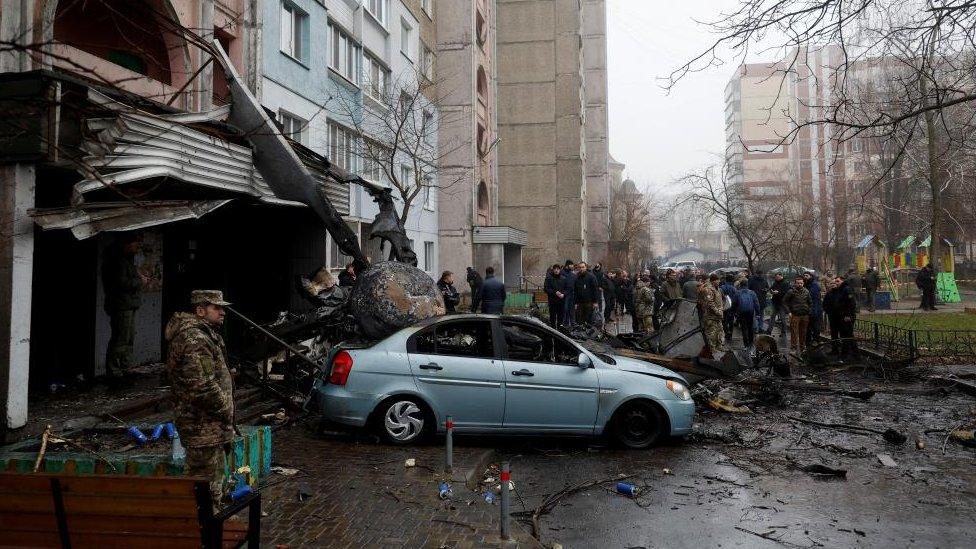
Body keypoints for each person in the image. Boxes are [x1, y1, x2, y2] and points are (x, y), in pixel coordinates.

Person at [165, 290, 234, 510]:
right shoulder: (194, 338)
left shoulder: (206, 334)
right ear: (201, 310)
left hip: (210, 425)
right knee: (203, 484)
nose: (222, 312)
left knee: (213, 482)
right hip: (202, 425)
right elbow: (202, 385)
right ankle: (203, 531)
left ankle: (210, 524)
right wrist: (225, 408)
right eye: (217, 308)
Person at [102, 234, 145, 384]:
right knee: (121, 339)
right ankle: (115, 371)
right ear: (126, 245)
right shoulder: (117, 261)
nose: (136, 247)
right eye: (134, 244)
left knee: (128, 338)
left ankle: (125, 368)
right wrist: (139, 280)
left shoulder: (125, 260)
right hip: (121, 305)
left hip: (128, 304)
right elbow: (121, 284)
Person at [823, 276, 859, 360]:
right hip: (839, 316)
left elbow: (851, 304)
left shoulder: (846, 289)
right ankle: (847, 354)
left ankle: (851, 355)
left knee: (848, 336)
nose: (836, 283)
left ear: (842, 281)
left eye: (837, 281)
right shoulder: (840, 290)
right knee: (845, 336)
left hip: (847, 317)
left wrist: (848, 315)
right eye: (835, 281)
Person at [783, 276, 813, 352]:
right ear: (795, 283)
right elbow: (784, 302)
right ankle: (793, 347)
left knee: (803, 332)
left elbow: (810, 302)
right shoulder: (791, 291)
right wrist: (789, 312)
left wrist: (809, 310)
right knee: (794, 331)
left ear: (803, 283)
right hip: (795, 314)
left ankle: (803, 347)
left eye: (801, 283)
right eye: (798, 283)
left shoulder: (806, 291)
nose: (800, 284)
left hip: (805, 315)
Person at [698, 274, 725, 354]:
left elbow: (721, 300)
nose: (719, 281)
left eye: (719, 280)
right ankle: (712, 348)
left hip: (718, 316)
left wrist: (721, 309)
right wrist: (718, 311)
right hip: (710, 316)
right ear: (713, 281)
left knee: (720, 331)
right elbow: (710, 303)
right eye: (717, 280)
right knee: (712, 333)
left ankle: (719, 346)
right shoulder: (708, 290)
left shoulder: (718, 289)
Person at [736, 280, 761, 348]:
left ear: (740, 285)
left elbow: (734, 304)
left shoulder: (738, 292)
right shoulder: (752, 292)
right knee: (750, 327)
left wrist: (734, 312)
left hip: (741, 312)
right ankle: (751, 343)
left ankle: (745, 344)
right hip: (750, 312)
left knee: (744, 328)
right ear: (747, 285)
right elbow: (756, 303)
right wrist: (758, 313)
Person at [768, 273, 790, 338]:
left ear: (781, 276)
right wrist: (771, 291)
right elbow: (771, 288)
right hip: (775, 302)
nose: (776, 278)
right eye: (776, 277)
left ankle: (783, 332)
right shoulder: (775, 282)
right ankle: (769, 331)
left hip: (782, 303)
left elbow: (786, 293)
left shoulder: (785, 283)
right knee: (772, 317)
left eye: (778, 277)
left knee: (783, 319)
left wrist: (778, 292)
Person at [803, 272, 823, 345]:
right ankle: (808, 340)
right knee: (808, 326)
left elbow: (812, 296)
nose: (805, 277)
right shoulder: (805, 284)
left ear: (811, 276)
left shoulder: (814, 284)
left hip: (815, 308)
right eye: (804, 275)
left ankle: (816, 339)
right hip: (807, 308)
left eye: (807, 275)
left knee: (815, 326)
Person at [719, 275, 739, 343]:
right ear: (732, 280)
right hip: (732, 307)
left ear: (726, 280)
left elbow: (719, 298)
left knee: (724, 321)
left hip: (724, 307)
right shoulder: (734, 288)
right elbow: (736, 299)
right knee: (731, 322)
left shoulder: (722, 287)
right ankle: (730, 335)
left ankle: (726, 333)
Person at [561, 260, 578, 327]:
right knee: (565, 310)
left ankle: (572, 324)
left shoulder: (572, 275)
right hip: (564, 295)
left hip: (572, 294)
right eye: (572, 265)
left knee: (571, 310)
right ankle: (564, 324)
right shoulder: (562, 273)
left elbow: (575, 285)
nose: (573, 266)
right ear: (568, 265)